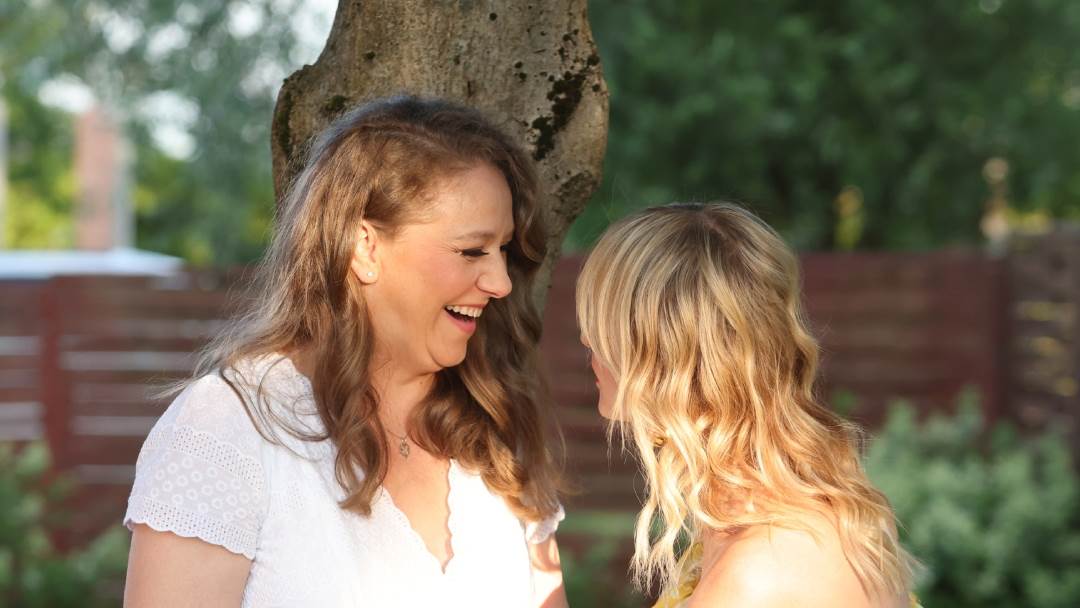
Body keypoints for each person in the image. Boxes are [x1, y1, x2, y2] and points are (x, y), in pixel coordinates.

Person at [122, 96, 568, 607]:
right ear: (364, 247)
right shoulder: (229, 428)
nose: (500, 282)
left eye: (503, 250)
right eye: (471, 250)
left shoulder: (495, 426)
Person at [575, 203, 919, 608]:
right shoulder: (772, 517)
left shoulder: (754, 575)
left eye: (604, 324)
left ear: (665, 354)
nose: (585, 339)